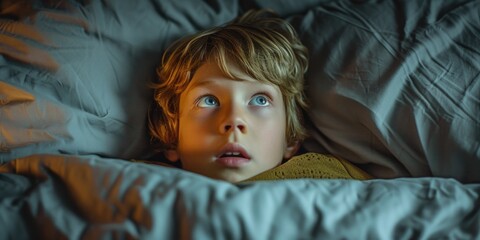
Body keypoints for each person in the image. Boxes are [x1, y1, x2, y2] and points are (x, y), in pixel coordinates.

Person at [148, 9, 372, 182]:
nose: (234, 120)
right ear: (172, 138)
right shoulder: (137, 185)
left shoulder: (332, 179)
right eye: (209, 100)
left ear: (290, 139)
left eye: (260, 100)